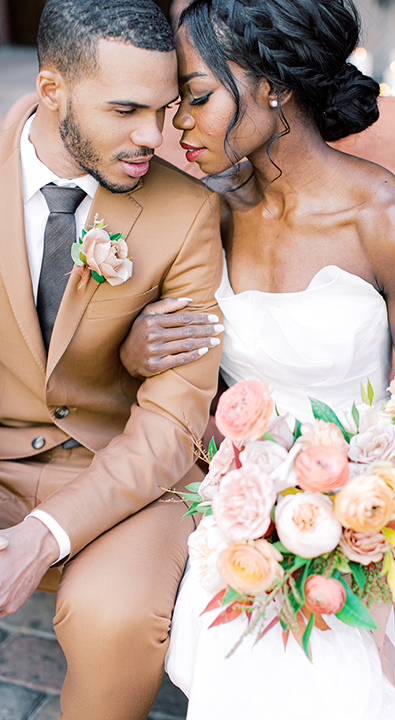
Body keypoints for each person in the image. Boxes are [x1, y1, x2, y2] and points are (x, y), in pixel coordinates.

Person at [119, 1, 395, 718]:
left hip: (363, 520)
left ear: (273, 85)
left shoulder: (390, 225)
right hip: (240, 514)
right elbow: (164, 362)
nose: (177, 125)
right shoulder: (207, 215)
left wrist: (356, 527)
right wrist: (135, 346)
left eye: (195, 97)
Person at [0, 1, 224, 718]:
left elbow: (173, 416)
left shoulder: (188, 212)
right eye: (126, 109)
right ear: (52, 88)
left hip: (127, 472)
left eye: (162, 110)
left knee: (116, 615)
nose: (151, 138)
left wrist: (50, 531)